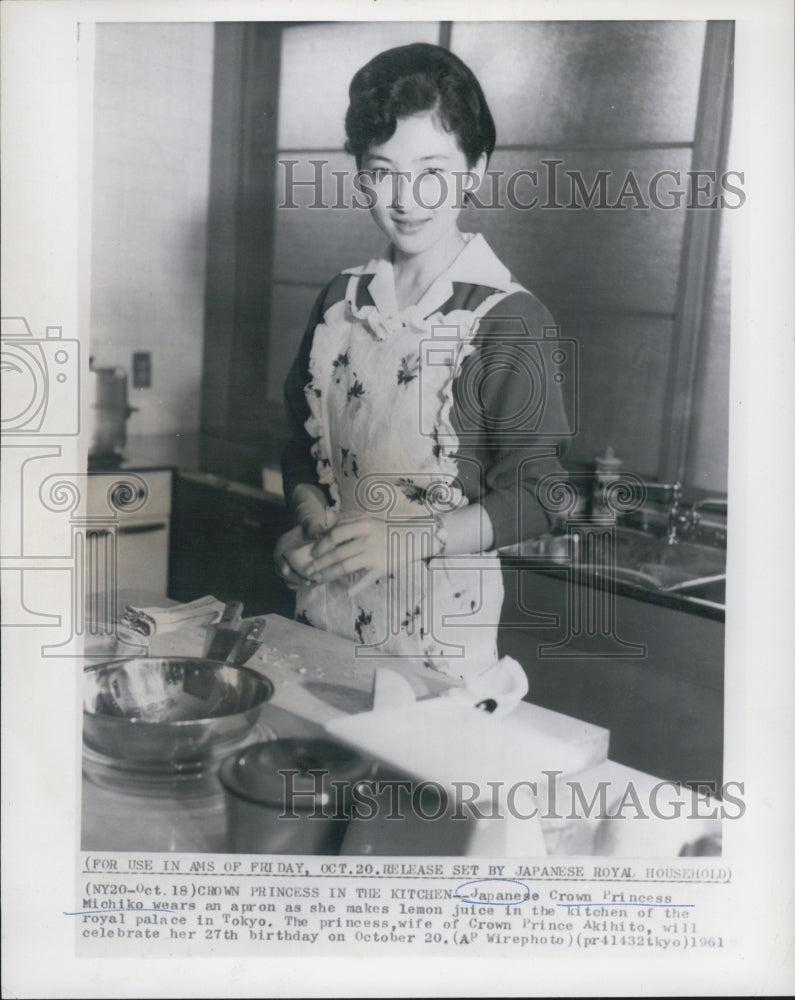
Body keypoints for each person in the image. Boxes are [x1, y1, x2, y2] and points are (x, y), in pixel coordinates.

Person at [275, 42, 570, 683]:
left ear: (476, 169)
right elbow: (300, 445)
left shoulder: (506, 317)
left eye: (432, 170)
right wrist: (305, 528)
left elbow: (542, 493)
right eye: (381, 171)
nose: (405, 198)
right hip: (321, 619)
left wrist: (405, 540)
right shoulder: (340, 302)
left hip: (435, 645)